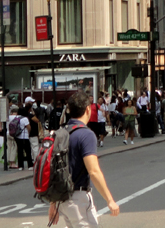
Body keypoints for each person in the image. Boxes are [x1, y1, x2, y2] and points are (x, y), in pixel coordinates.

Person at [49, 91, 119, 228]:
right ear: (88, 109)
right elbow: (93, 171)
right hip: (78, 198)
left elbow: (55, 169)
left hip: (62, 198)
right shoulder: (86, 134)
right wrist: (110, 200)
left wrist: (53, 202)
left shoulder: (60, 133)